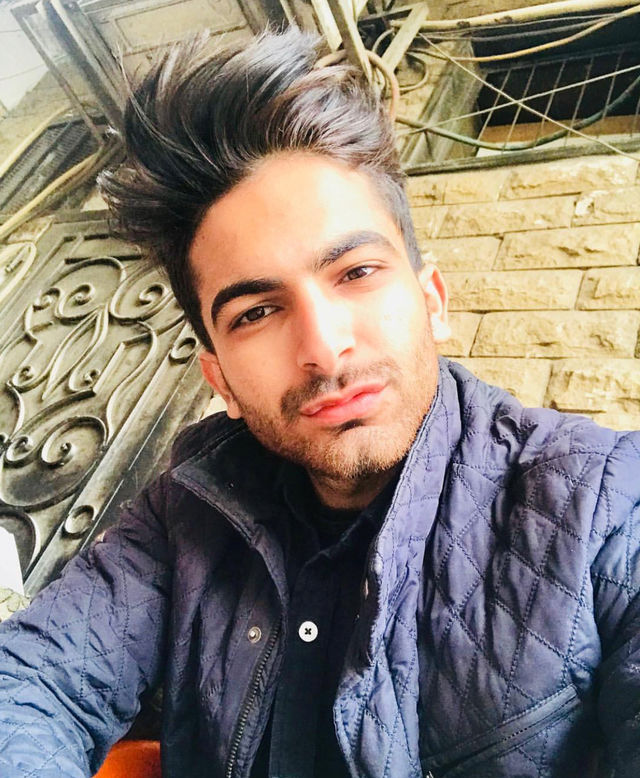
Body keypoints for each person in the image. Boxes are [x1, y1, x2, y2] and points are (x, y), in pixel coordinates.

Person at [1, 27, 639, 778]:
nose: (324, 348)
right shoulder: (180, 515)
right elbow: (30, 683)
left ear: (433, 301)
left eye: (357, 272)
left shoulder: (603, 499)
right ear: (219, 379)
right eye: (256, 313)